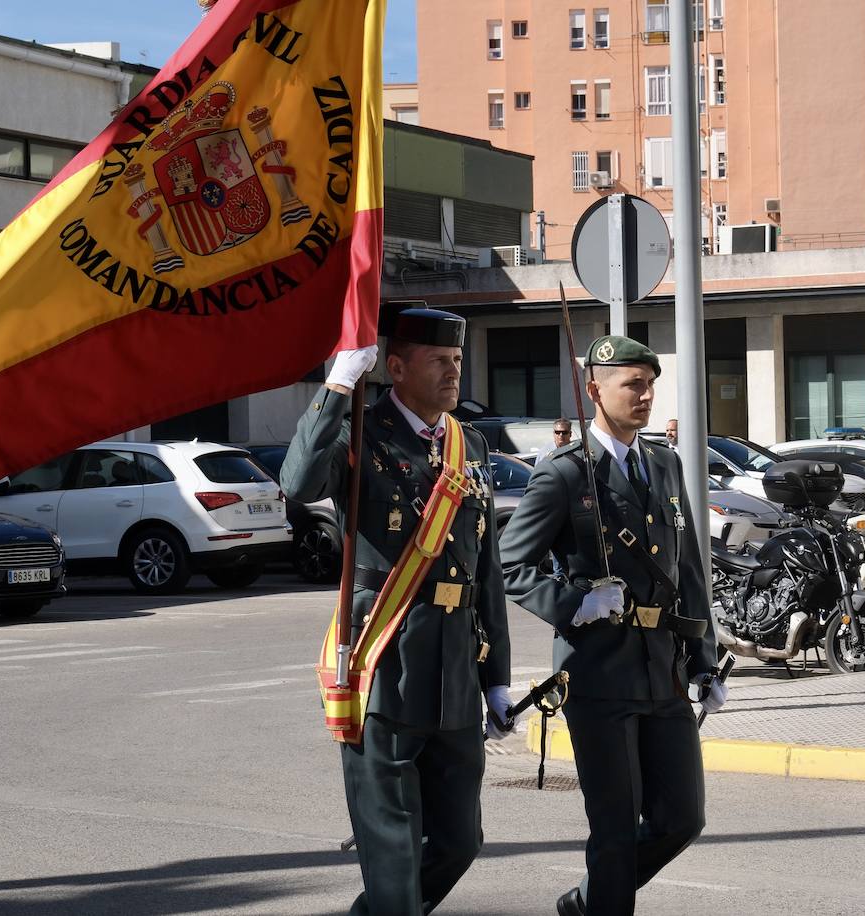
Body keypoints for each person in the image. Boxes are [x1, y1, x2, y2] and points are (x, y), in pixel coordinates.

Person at [280, 308, 512, 915]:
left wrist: (498, 679)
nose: (452, 372)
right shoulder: (362, 430)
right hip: (385, 666)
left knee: (460, 841)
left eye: (457, 361)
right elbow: (299, 482)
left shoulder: (471, 443)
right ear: (397, 366)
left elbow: (484, 565)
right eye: (438, 361)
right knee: (392, 857)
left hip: (456, 676)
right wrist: (336, 388)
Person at [499, 335, 726, 916]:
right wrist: (575, 602)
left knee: (682, 818)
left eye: (649, 383)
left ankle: (588, 901)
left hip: (663, 670)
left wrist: (704, 658)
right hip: (598, 673)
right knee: (616, 829)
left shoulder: (664, 463)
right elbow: (511, 565)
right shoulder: (565, 474)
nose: (645, 395)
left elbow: (689, 567)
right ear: (594, 390)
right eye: (632, 384)